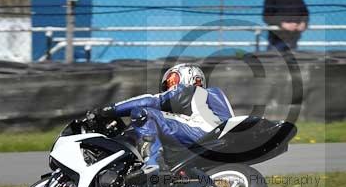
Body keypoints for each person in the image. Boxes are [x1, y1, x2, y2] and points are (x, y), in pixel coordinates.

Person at [84, 63, 234, 177]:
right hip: (210, 144)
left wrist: (108, 110)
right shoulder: (207, 101)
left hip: (203, 132)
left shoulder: (190, 90)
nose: (169, 86)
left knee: (144, 113)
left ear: (188, 77)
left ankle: (152, 163)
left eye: (172, 80)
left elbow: (148, 101)